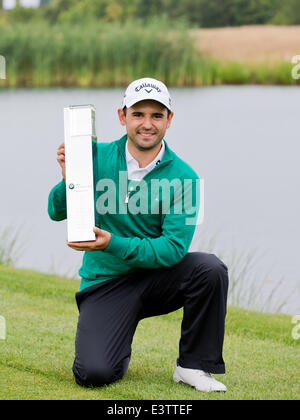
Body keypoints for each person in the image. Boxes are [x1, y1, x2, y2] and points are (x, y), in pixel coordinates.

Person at [48, 77, 229, 392]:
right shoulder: (94, 155)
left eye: (157, 115)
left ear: (169, 120)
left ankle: (193, 366)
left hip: (159, 279)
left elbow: (172, 250)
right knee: (94, 374)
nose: (147, 124)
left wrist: (112, 242)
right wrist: (70, 178)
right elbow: (56, 211)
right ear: (123, 116)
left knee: (210, 269)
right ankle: (115, 341)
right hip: (106, 283)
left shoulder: (185, 177)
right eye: (138, 114)